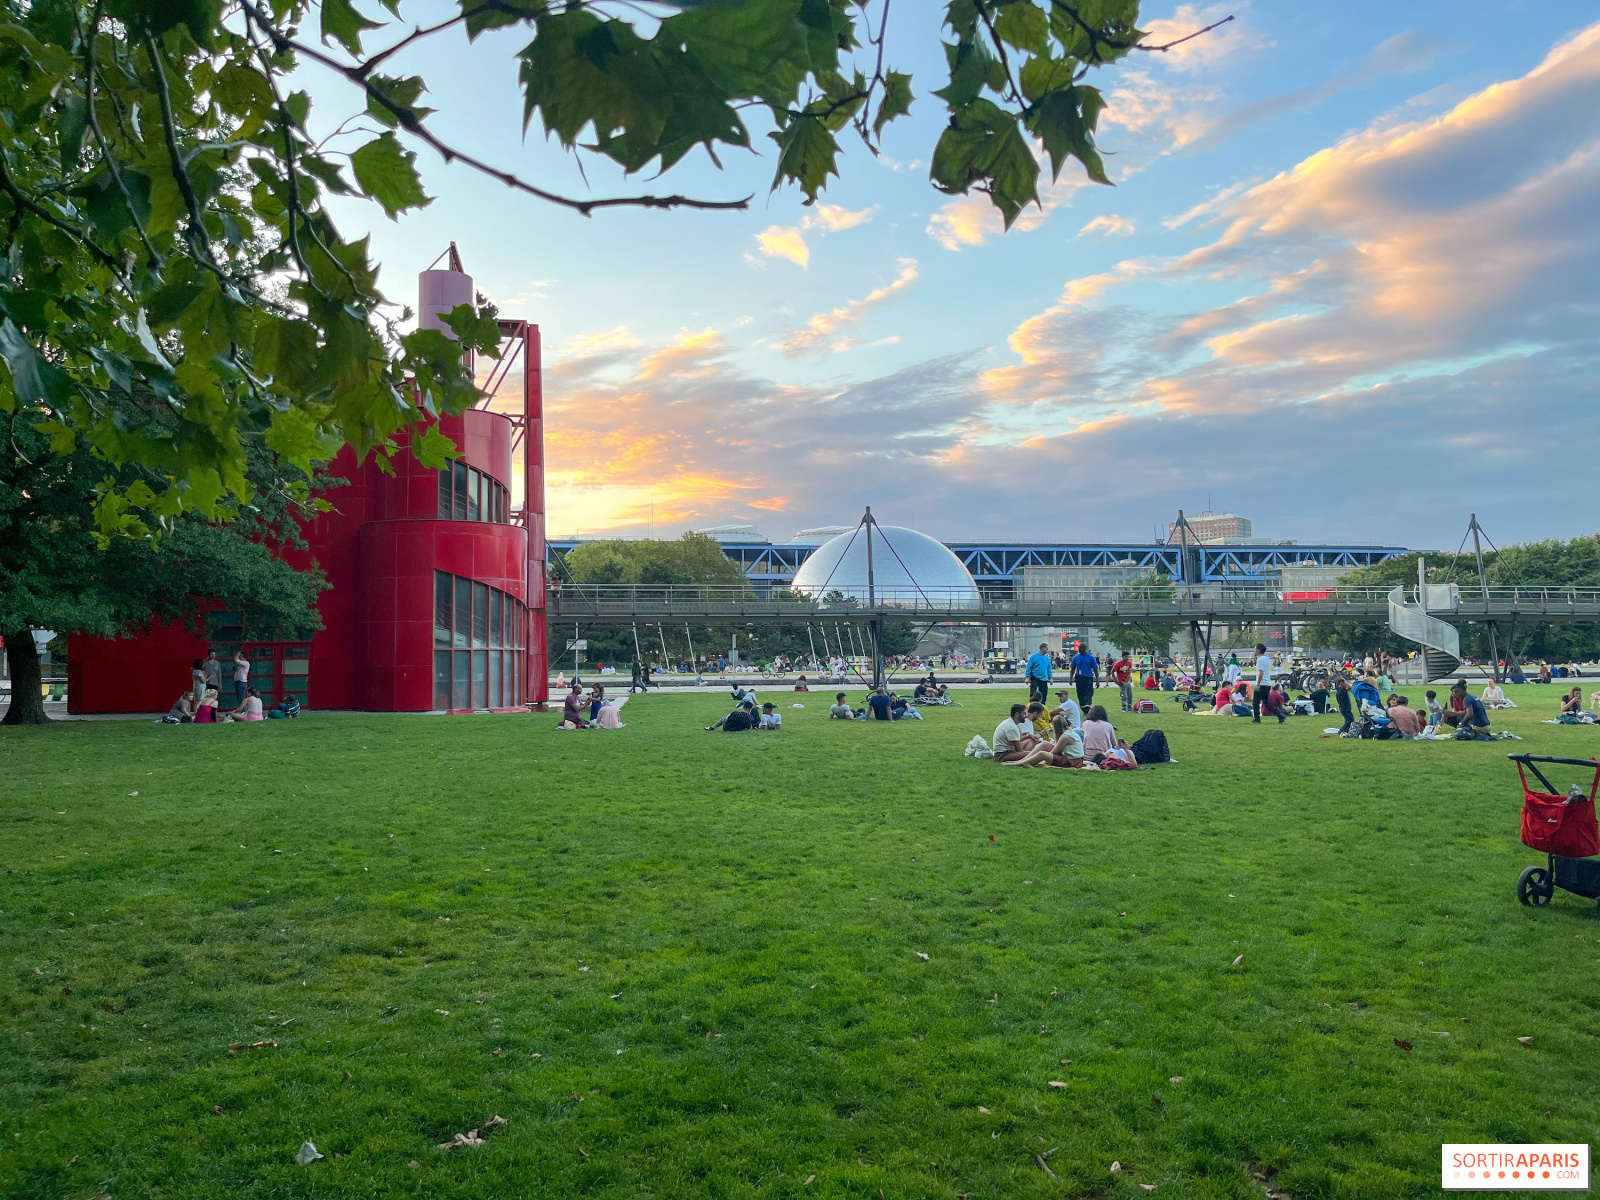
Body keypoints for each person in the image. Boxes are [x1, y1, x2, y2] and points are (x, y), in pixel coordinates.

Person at [1070, 644, 1099, 710]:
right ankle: (1083, 707)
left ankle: (1088, 708)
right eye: (1078, 648)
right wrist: (1070, 679)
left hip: (1088, 677)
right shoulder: (1076, 657)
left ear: (1084, 648)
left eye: (1080, 648)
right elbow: (1073, 668)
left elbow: (1095, 669)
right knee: (1080, 694)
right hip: (1079, 678)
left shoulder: (1091, 658)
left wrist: (1097, 680)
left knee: (1088, 693)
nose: (1079, 649)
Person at [1251, 643, 1273, 723]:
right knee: (1266, 703)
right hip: (1267, 683)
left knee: (1255, 702)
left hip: (1262, 684)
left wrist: (1258, 684)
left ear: (1258, 650)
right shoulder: (1267, 659)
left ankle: (1257, 719)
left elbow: (1261, 673)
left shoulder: (1260, 660)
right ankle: (1279, 714)